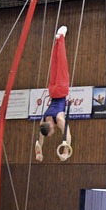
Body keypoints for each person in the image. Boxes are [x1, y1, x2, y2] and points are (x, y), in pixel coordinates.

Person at [35, 25, 72, 162]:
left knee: (62, 63)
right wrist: (38, 152)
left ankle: (61, 38)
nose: (51, 134)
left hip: (61, 90)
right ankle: (57, 40)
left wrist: (66, 151)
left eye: (50, 132)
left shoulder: (59, 119)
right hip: (52, 90)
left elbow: (68, 134)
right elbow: (40, 138)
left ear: (50, 127)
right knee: (55, 65)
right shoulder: (43, 121)